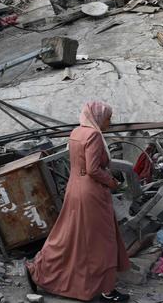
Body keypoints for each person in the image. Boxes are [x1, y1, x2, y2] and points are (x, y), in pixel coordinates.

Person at [26, 101, 130, 302]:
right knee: (103, 241)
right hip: (91, 194)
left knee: (69, 238)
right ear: (99, 117)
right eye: (108, 117)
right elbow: (93, 169)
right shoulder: (94, 135)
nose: (110, 121)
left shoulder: (76, 132)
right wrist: (112, 182)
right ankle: (107, 292)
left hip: (74, 189)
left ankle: (37, 270)